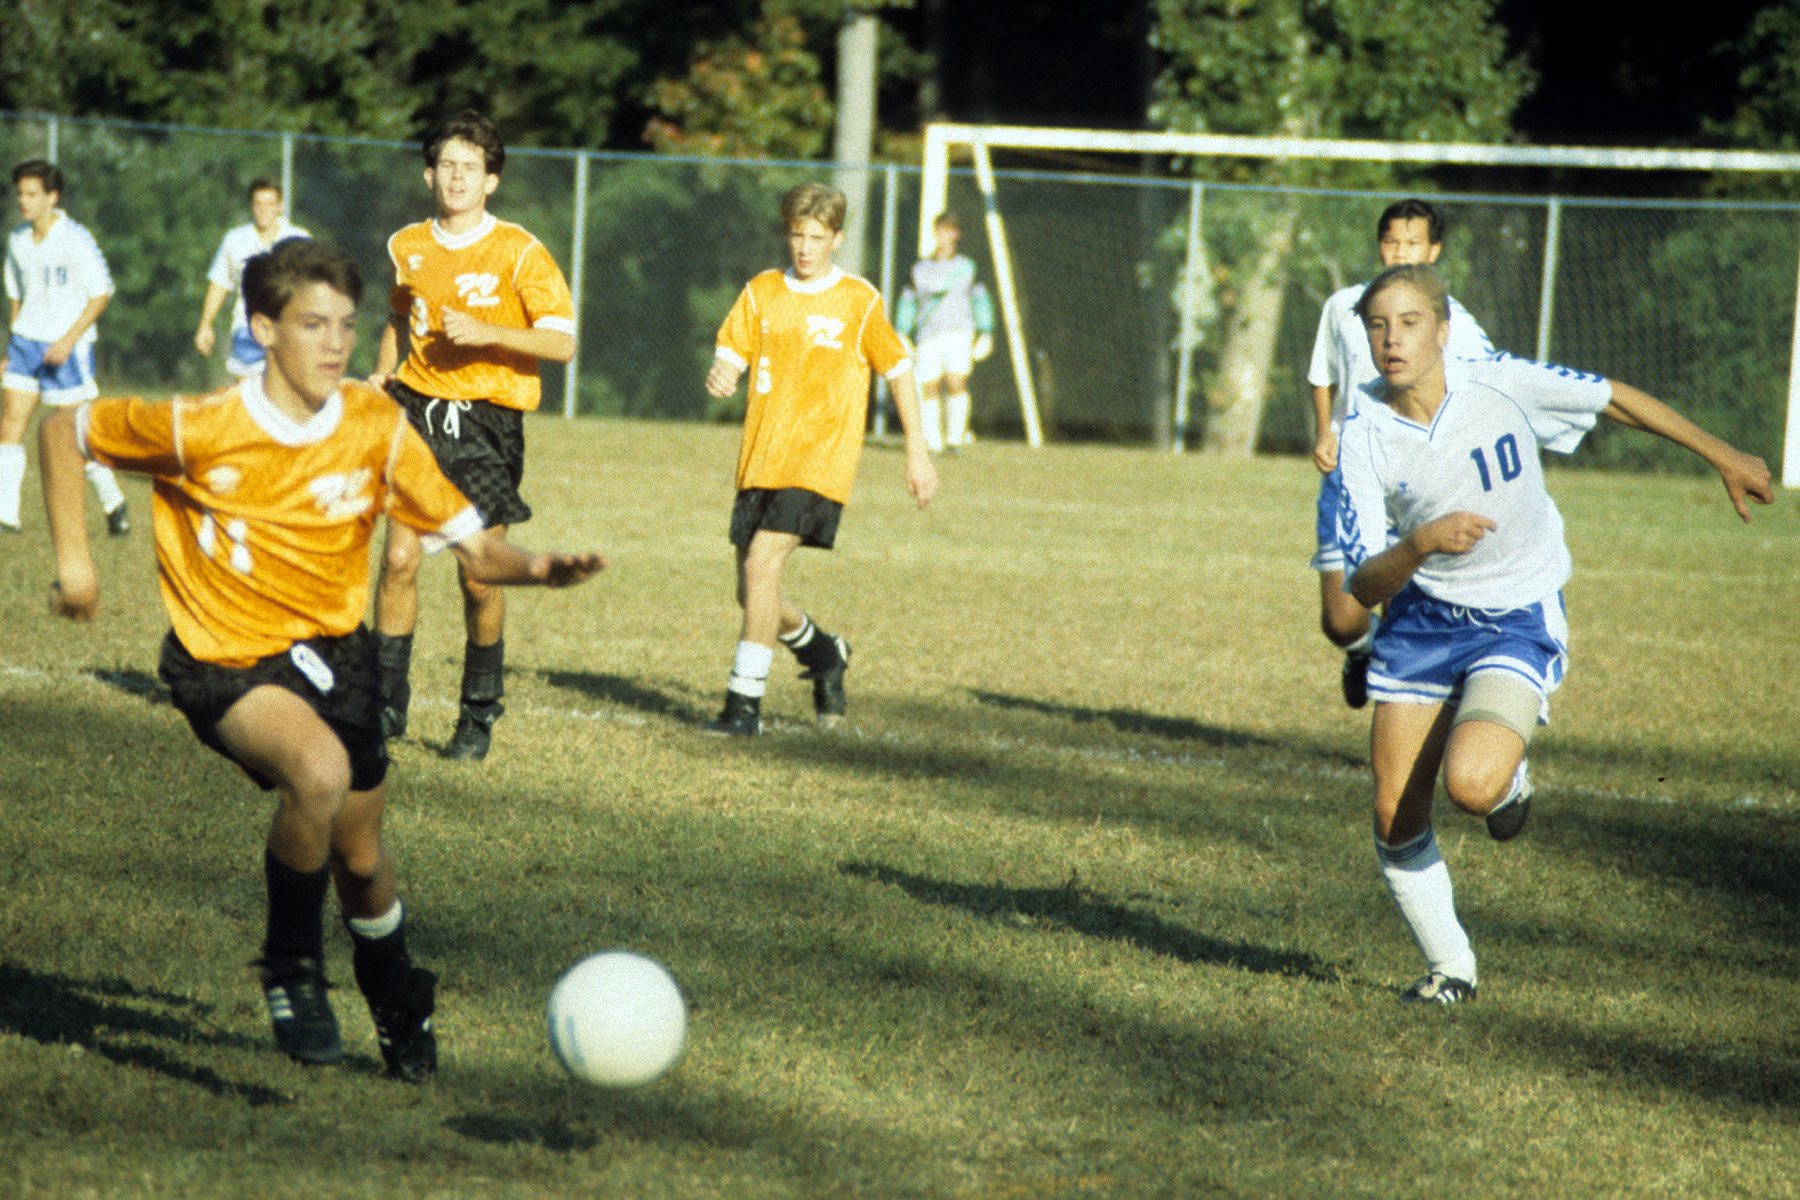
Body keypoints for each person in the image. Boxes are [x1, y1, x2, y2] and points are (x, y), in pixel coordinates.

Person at [40, 237, 605, 1077]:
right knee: (318, 772)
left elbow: (479, 551)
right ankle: (292, 969)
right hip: (224, 659)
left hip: (339, 661)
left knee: (362, 860)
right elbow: (63, 430)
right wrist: (76, 563)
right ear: (263, 328)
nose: (336, 343)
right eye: (313, 324)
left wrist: (539, 568)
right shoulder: (202, 426)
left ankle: (397, 1001)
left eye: (345, 324)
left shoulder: (377, 428)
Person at [1335, 263, 1771, 1005]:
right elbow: (1364, 586)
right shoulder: (1363, 430)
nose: (1392, 339)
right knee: (1392, 812)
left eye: (1409, 322)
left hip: (1515, 614)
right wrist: (1421, 543)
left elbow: (1614, 398)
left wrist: (1723, 454)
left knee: (1472, 786)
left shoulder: (1500, 381)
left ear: (1443, 330)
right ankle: (1452, 969)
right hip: (1422, 623)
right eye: (1378, 326)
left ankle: (1508, 777)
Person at [367, 110, 577, 761]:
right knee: (398, 561)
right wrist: (382, 374)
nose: (457, 177)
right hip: (418, 413)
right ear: (429, 175)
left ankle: (478, 713)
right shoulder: (407, 245)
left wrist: (489, 334)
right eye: (447, 165)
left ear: (491, 180)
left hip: (489, 423)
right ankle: (383, 706)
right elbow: (398, 319)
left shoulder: (519, 250)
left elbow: (562, 343)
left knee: (479, 574)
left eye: (471, 167)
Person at [702, 181, 937, 735]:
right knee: (752, 590)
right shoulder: (762, 290)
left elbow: (899, 370)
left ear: (837, 239)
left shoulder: (858, 300)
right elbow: (732, 350)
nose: (804, 248)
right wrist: (723, 371)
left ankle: (743, 707)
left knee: (761, 566)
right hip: (761, 459)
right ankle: (824, 653)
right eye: (796, 235)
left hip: (818, 461)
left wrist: (917, 452)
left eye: (816, 237)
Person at [1308, 199, 1494, 708]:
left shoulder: (1456, 324)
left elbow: (1485, 391)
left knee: (1404, 615)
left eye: (1412, 243)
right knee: (1341, 619)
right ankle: (1361, 651)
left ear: (1433, 251)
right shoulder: (1345, 306)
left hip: (1415, 477)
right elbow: (1323, 375)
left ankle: (1404, 707)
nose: (1400, 252)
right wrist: (1325, 431)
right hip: (1350, 475)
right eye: (1391, 242)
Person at [1, 160, 129, 536]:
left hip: (66, 348)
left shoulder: (76, 238)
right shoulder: (17, 241)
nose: (23, 201)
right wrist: (12, 345)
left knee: (75, 432)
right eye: (20, 194)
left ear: (52, 197)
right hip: (26, 345)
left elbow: (101, 294)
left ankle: (113, 502)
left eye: (32, 194)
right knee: (10, 422)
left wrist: (68, 340)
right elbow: (16, 295)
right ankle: (6, 514)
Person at [894, 211, 994, 454]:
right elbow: (907, 300)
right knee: (929, 385)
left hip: (960, 331)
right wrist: (902, 331)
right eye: (940, 229)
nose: (943, 235)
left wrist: (986, 330)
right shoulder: (920, 268)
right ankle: (932, 440)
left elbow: (980, 298)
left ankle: (955, 438)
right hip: (928, 334)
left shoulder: (967, 267)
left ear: (956, 234)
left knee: (956, 381)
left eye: (948, 230)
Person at [193, 176, 310, 378]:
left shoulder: (299, 240)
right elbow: (219, 284)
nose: (264, 210)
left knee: (286, 390)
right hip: (247, 332)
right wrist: (205, 324)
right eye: (258, 204)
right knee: (247, 393)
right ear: (252, 206)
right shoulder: (235, 240)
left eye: (270, 204)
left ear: (280, 206)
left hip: (288, 331)